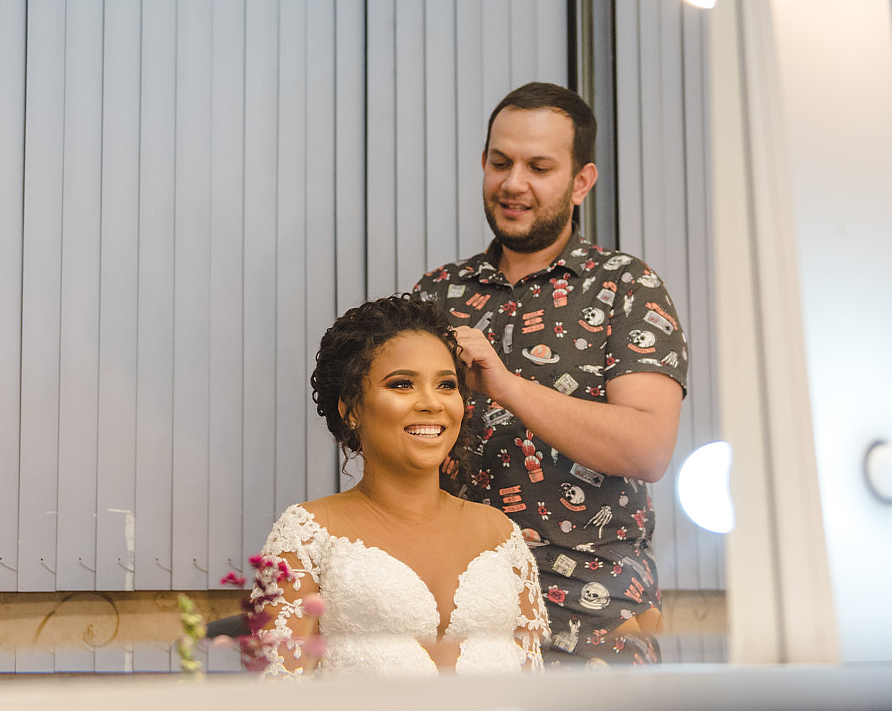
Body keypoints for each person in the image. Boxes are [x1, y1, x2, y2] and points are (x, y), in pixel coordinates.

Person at [412, 82, 688, 667]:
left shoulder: (627, 286)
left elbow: (648, 448)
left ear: (582, 181)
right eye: (500, 163)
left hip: (593, 617)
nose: (513, 183)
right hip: (454, 610)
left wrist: (508, 387)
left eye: (539, 168)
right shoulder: (437, 293)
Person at [249, 296, 549, 677]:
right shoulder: (305, 536)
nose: (432, 403)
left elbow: (532, 689)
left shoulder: (501, 534)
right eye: (403, 384)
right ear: (351, 409)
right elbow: (278, 694)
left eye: (446, 385)